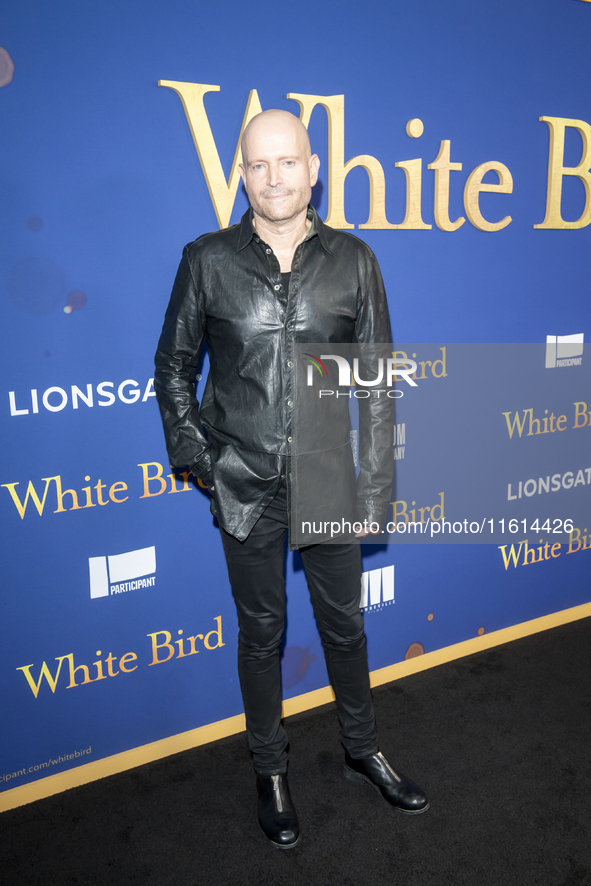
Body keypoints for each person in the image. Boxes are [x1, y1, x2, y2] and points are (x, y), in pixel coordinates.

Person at [154, 109, 428, 849]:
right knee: (261, 633)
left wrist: (374, 489)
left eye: (288, 162)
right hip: (242, 482)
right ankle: (269, 770)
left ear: (313, 169)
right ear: (241, 174)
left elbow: (375, 385)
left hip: (329, 479)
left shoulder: (354, 260)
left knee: (346, 627)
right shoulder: (205, 259)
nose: (274, 177)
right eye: (258, 165)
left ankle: (361, 747)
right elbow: (172, 369)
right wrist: (199, 459)